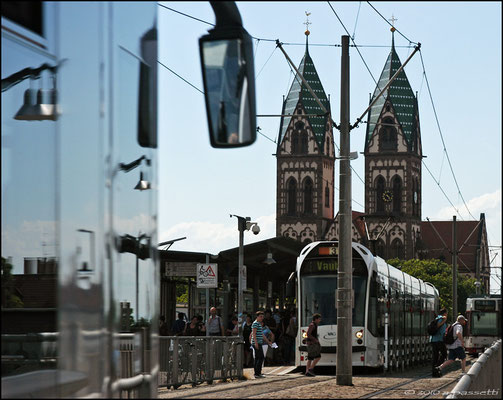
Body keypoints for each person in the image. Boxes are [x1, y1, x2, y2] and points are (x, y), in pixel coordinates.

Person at [251, 311, 272, 378]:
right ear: (257, 317)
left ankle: (257, 373)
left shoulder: (259, 324)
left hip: (259, 342)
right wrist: (256, 343)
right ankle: (257, 373)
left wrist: (268, 341)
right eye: (260, 316)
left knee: (258, 357)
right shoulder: (255, 323)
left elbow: (262, 334)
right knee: (260, 357)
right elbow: (253, 333)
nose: (262, 318)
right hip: (257, 343)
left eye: (262, 317)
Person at [430, 308, 448, 377]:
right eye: (446, 313)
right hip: (439, 340)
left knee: (435, 356)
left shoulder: (436, 318)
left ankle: (434, 371)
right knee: (444, 354)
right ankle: (437, 368)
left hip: (433, 340)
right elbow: (440, 328)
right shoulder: (442, 319)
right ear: (444, 313)